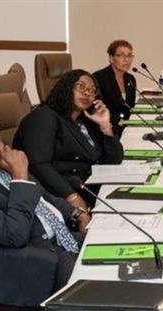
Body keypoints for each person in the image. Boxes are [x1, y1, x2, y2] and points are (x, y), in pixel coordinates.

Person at [0, 108, 89, 307]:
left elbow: (42, 197)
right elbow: (14, 236)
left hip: (60, 239)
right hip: (29, 265)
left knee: (120, 244)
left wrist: (76, 213)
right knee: (105, 287)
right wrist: (20, 177)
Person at [13, 69, 124, 211]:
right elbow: (39, 165)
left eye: (92, 90)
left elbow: (113, 161)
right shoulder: (43, 117)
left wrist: (105, 126)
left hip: (91, 188)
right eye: (81, 87)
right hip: (61, 196)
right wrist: (72, 197)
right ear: (67, 87)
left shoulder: (84, 120)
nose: (87, 93)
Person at [93, 40, 137, 137]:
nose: (126, 60)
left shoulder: (130, 79)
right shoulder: (99, 78)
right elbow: (96, 110)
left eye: (129, 55)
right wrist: (120, 124)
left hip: (125, 127)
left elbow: (130, 108)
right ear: (111, 58)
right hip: (107, 131)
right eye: (121, 55)